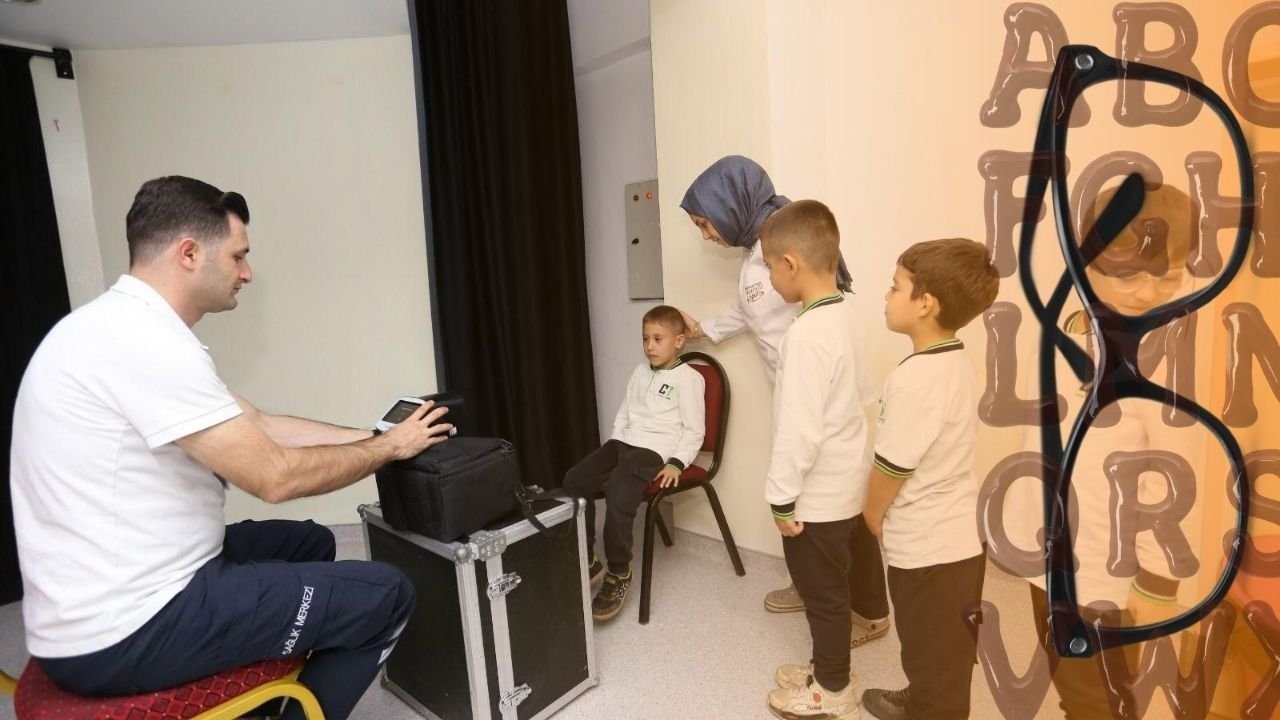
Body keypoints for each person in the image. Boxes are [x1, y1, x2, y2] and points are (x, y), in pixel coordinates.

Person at [9, 176, 452, 720]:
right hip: (127, 628)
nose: (247, 273)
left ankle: (253, 693)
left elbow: (259, 425)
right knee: (385, 595)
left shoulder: (115, 326)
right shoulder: (145, 344)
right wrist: (387, 453)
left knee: (310, 543)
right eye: (238, 256)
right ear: (189, 253)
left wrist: (379, 437)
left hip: (100, 603)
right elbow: (275, 477)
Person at [1005, 183, 1202, 719]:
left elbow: (1175, 475)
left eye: (1167, 275)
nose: (1146, 291)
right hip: (1049, 550)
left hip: (1102, 574)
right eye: (1129, 274)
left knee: (1096, 698)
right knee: (1072, 680)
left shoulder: (1164, 354)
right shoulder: (1071, 318)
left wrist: (1158, 583)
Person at [676, 156, 889, 649]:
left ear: (729, 205)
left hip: (816, 403)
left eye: (704, 223)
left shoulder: (781, 248)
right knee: (812, 509)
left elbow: (813, 327)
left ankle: (867, 610)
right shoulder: (758, 251)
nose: (706, 236)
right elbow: (750, 309)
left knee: (835, 510)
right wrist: (705, 329)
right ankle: (812, 585)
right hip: (799, 400)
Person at [860, 238, 1000, 720]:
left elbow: (891, 467)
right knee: (939, 650)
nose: (886, 295)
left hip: (929, 550)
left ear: (926, 304)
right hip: (956, 538)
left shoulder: (915, 379)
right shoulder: (953, 358)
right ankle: (923, 695)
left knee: (933, 651)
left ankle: (931, 706)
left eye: (895, 286)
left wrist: (872, 516)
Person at [759, 200, 876, 720]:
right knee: (835, 590)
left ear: (790, 264)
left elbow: (798, 430)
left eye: (769, 266)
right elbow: (861, 398)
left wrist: (781, 498)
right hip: (847, 484)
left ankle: (831, 689)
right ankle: (829, 667)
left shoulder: (805, 335)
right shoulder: (846, 314)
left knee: (823, 596)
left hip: (816, 498)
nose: (769, 277)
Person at [563, 305, 705, 621]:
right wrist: (613, 446)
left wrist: (677, 463)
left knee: (619, 489)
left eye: (658, 339)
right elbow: (624, 414)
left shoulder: (690, 379)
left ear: (679, 341)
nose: (649, 346)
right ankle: (588, 559)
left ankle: (619, 570)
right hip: (623, 444)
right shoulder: (640, 372)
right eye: (645, 338)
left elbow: (695, 430)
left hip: (654, 450)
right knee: (575, 479)